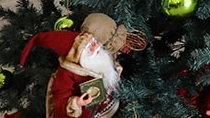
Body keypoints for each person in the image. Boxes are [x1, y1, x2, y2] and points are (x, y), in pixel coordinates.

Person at [19, 13, 147, 118]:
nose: (95, 49)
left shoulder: (102, 59)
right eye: (91, 46)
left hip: (110, 108)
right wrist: (77, 102)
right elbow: (60, 98)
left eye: (98, 47)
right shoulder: (68, 72)